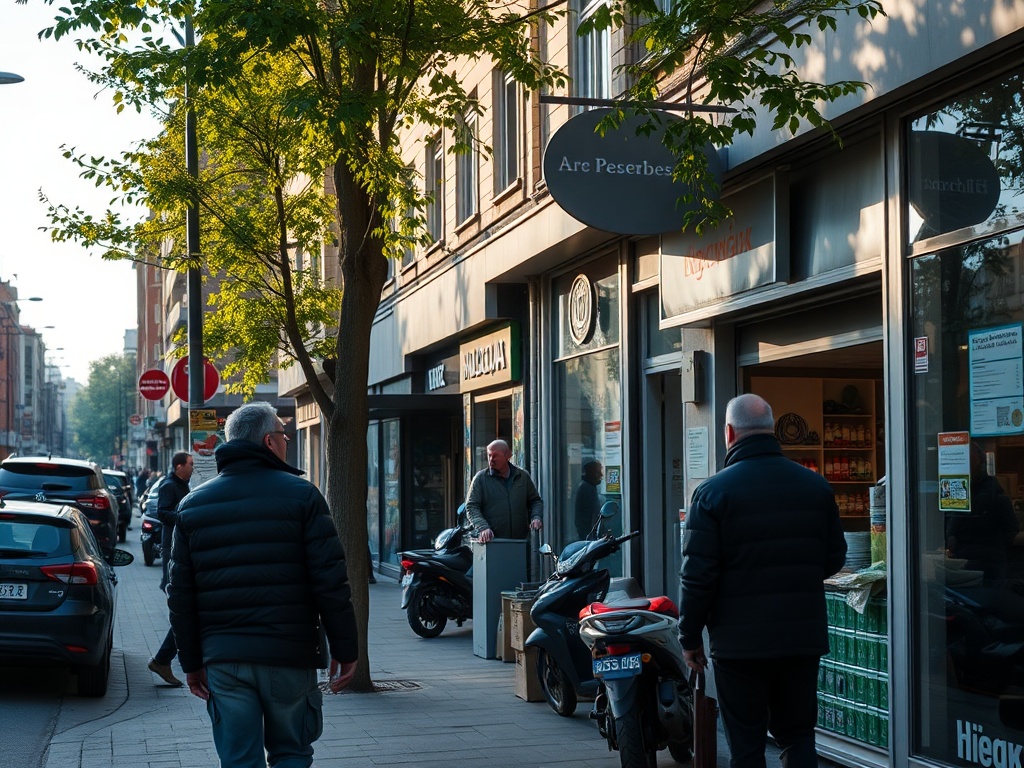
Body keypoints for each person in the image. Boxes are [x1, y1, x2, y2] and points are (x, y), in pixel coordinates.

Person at [167, 402, 358, 768]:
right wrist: (345, 648)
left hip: (224, 659)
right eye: (285, 436)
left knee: (239, 759)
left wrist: (190, 662)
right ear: (270, 441)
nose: (287, 442)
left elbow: (180, 596)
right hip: (288, 654)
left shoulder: (193, 505)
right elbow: (330, 581)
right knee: (291, 753)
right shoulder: (303, 496)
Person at [679, 393, 847, 768]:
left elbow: (698, 576)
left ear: (728, 433)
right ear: (772, 430)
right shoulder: (815, 486)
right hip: (800, 638)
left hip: (738, 646)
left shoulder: (712, 493)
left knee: (747, 747)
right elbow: (835, 558)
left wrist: (689, 637)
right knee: (798, 735)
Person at [147, 451, 194, 687]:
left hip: (180, 549)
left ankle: (165, 659)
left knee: (184, 613)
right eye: (190, 464)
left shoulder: (182, 485)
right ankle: (162, 660)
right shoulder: (169, 486)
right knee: (183, 613)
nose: (193, 468)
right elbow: (163, 513)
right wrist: (187, 517)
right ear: (178, 466)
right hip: (173, 550)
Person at [946, 442, 1019, 582]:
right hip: (959, 562)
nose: (964, 466)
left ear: (979, 461)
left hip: (985, 567)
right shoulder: (958, 493)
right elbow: (951, 530)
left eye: (968, 460)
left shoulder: (993, 494)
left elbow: (1010, 534)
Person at [464, 439, 543, 543]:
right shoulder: (481, 479)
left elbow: (535, 501)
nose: (491, 459)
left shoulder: (522, 477)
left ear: (507, 455)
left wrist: (536, 517)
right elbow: (471, 506)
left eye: (495, 455)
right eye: (489, 455)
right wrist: (483, 527)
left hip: (520, 542)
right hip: (491, 542)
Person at [573, 460, 604, 540]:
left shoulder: (590, 487)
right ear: (591, 473)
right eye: (598, 472)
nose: (601, 475)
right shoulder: (586, 488)